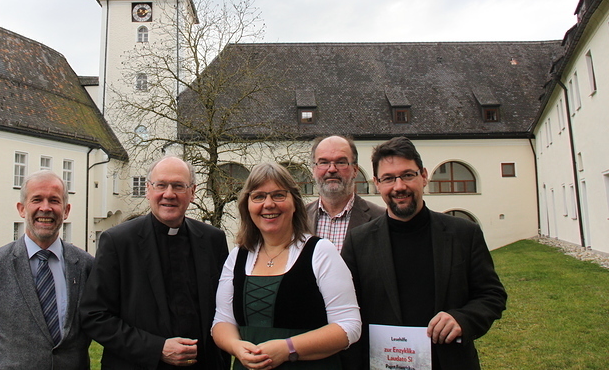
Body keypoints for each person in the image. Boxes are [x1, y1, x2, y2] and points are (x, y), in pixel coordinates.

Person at [341, 137, 507, 370]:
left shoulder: (464, 234)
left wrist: (463, 319)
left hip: (449, 363)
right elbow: (346, 310)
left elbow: (492, 295)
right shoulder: (358, 241)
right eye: (388, 178)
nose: (399, 186)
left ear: (424, 176)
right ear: (377, 183)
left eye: (408, 175)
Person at [80, 156, 230, 369]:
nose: (169, 194)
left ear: (192, 192)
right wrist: (157, 348)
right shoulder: (118, 242)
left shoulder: (213, 240)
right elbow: (94, 316)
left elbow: (224, 311)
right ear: (148, 190)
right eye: (161, 185)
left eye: (178, 186)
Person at [212, 162, 361, 369]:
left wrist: (287, 348)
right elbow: (222, 321)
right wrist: (236, 347)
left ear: (295, 203)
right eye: (258, 196)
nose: (268, 204)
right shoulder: (238, 256)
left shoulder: (320, 252)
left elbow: (349, 326)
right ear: (247, 206)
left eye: (278, 195)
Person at [0, 170, 94, 370]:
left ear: (66, 210)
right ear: (22, 209)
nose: (46, 208)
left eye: (54, 200)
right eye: (37, 199)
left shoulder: (85, 265)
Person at [306, 136, 385, 252]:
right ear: (313, 170)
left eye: (341, 162)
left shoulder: (380, 219)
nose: (332, 169)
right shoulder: (297, 218)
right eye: (324, 162)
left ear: (355, 170)